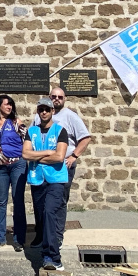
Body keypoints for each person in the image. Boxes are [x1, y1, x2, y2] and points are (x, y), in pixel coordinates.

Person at [31, 87, 92, 245]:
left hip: (62, 165)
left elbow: (85, 138)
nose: (57, 99)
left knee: (59, 201)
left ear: (65, 99)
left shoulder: (70, 116)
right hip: (40, 166)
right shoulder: (39, 116)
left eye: (60, 97)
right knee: (39, 202)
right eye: (54, 96)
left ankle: (57, 235)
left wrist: (73, 156)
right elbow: (31, 136)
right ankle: (40, 234)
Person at [24, 97, 69, 271]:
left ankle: (53, 257)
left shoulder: (60, 131)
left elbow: (59, 157)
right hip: (37, 179)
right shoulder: (32, 131)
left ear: (52, 111)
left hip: (55, 179)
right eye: (41, 109)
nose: (44, 112)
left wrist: (37, 156)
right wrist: (48, 152)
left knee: (50, 212)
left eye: (47, 109)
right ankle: (46, 254)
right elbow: (25, 154)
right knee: (42, 218)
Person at [0, 94, 27, 251]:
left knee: (18, 200)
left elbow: (28, 139)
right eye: (6, 104)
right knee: (1, 202)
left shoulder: (16, 122)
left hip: (17, 164)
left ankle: (19, 239)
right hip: (0, 168)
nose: (9, 107)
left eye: (11, 104)